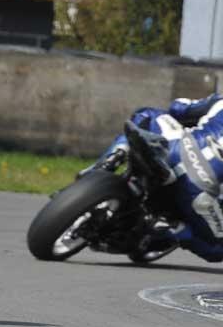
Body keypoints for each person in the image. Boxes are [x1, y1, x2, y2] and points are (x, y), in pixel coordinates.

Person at [92, 94, 223, 262]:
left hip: (176, 147)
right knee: (218, 250)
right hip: (202, 188)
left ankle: (113, 157)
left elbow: (178, 107)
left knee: (146, 113)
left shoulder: (220, 100)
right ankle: (174, 228)